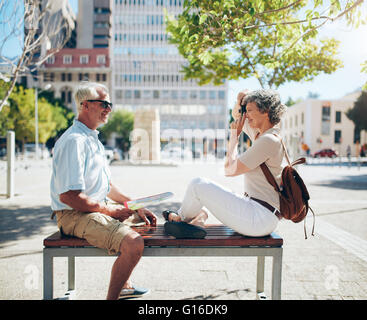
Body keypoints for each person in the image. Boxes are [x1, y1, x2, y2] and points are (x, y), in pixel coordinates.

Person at [50, 82, 157, 300]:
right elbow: (69, 197)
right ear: (85, 106)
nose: (109, 108)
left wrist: (136, 206)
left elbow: (107, 187)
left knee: (143, 221)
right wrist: (110, 212)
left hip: (90, 209)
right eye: (104, 103)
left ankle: (125, 285)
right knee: (134, 243)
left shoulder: (92, 138)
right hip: (73, 215)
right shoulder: (75, 141)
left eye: (110, 104)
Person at [163, 89, 286, 238]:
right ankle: (198, 221)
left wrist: (234, 137)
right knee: (204, 200)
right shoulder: (263, 134)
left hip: (258, 218)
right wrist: (239, 101)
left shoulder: (268, 140)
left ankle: (178, 219)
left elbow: (230, 170)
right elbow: (237, 116)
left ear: (265, 111)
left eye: (249, 111)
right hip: (260, 214)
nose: (246, 115)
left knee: (198, 185)